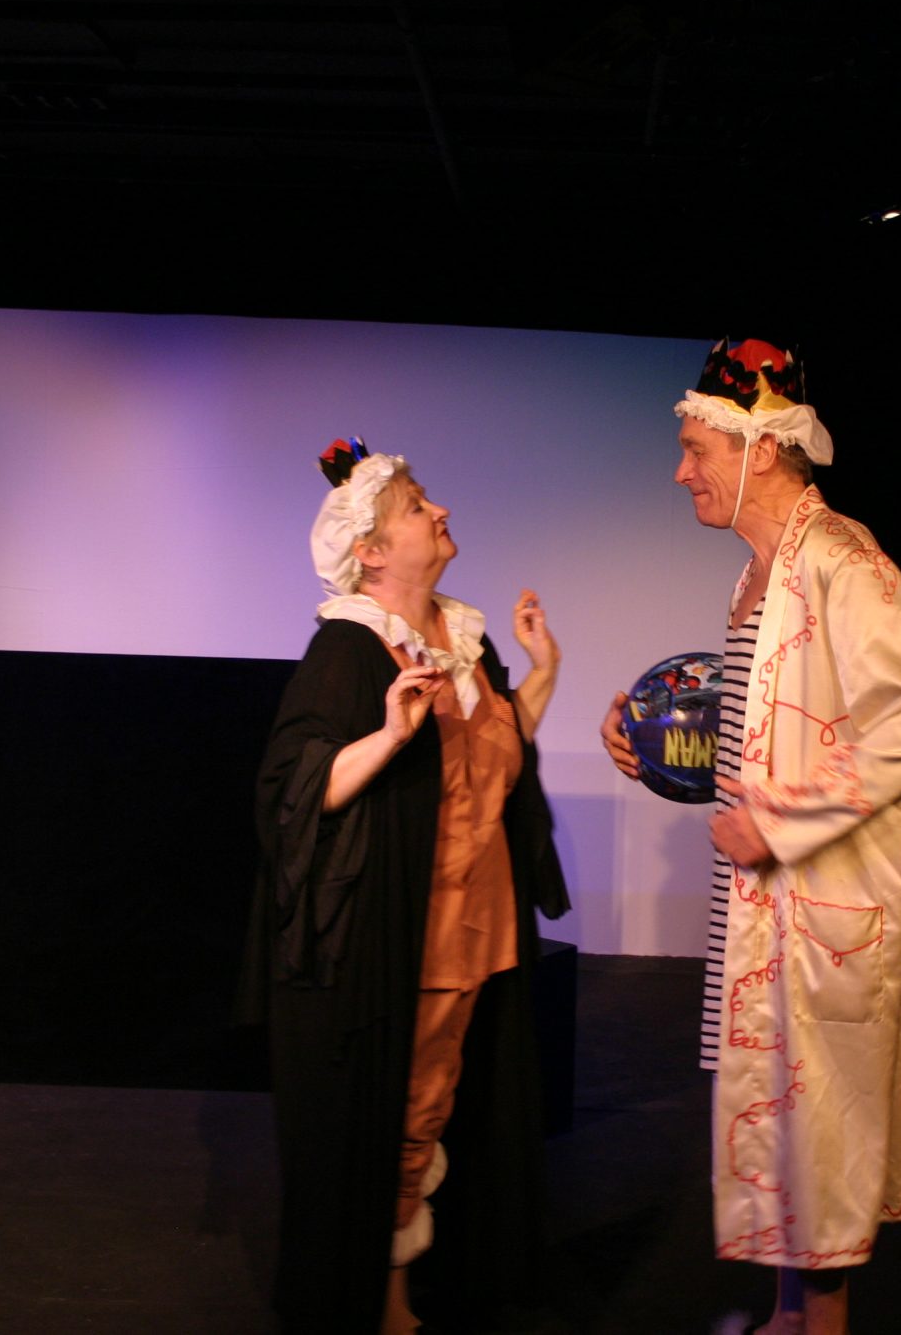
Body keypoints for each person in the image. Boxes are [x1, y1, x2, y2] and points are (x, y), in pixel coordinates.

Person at [599, 341, 901, 1335]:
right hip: (770, 911)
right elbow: (771, 728)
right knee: (788, 1138)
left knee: (822, 1144)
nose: (680, 471)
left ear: (758, 447)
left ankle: (815, 1325)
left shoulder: (842, 559)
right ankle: (784, 1317)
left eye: (694, 448)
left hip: (823, 913)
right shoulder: (759, 575)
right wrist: (651, 745)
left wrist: (782, 820)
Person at [238, 438, 568, 1334]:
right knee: (406, 1112)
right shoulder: (350, 650)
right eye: (419, 506)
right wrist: (386, 735)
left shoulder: (464, 637)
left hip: (480, 924)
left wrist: (543, 671)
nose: (441, 510)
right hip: (408, 933)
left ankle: (425, 1283)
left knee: (444, 1102)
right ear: (373, 551)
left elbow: (492, 756)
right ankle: (382, 1304)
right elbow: (293, 789)